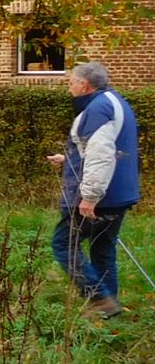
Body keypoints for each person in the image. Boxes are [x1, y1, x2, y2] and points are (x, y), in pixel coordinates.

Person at [47, 62, 139, 320]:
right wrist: (68, 159)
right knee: (102, 249)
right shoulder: (115, 102)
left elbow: (101, 155)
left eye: (71, 83)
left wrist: (90, 196)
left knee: (64, 244)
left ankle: (98, 298)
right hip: (119, 194)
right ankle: (111, 309)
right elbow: (107, 149)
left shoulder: (97, 110)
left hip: (99, 197)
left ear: (84, 85)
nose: (70, 89)